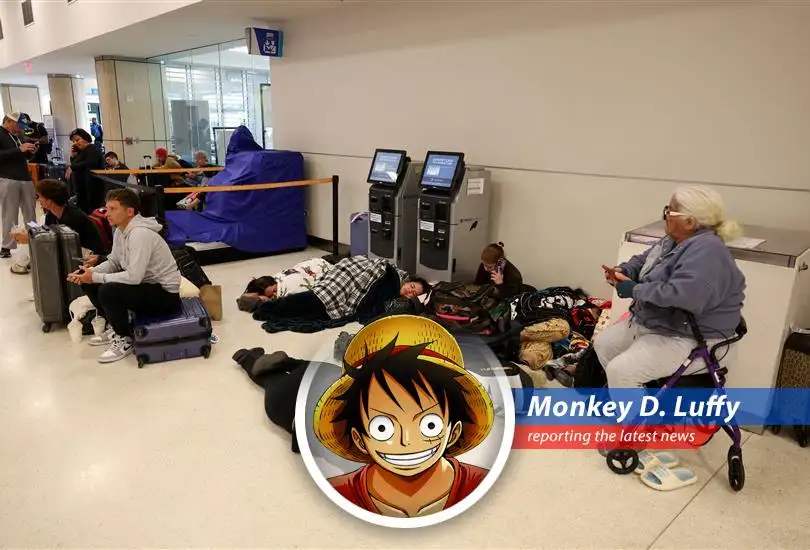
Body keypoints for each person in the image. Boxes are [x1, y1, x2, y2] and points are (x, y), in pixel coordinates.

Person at [314, 315, 493, 517]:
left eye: (429, 425)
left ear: (453, 431)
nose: (406, 442)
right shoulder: (336, 494)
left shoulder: (484, 488)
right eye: (382, 428)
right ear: (359, 439)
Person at [594, 186, 746, 388]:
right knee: (604, 344)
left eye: (669, 211)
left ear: (690, 222)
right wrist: (623, 270)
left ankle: (637, 418)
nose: (665, 215)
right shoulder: (675, 241)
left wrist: (633, 289)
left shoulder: (709, 251)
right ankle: (639, 399)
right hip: (661, 323)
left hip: (689, 336)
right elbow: (645, 260)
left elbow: (684, 296)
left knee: (621, 372)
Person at [67, 188, 181, 364]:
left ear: (130, 211)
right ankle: (115, 326)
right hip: (146, 286)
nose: (107, 214)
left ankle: (124, 337)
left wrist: (96, 277)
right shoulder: (121, 231)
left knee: (108, 290)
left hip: (165, 295)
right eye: (107, 209)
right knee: (90, 282)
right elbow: (113, 262)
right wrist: (88, 274)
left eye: (113, 209)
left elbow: (134, 277)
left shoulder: (140, 234)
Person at [252, 255, 430, 329]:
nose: (410, 292)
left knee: (315, 312)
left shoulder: (393, 298)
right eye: (412, 287)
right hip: (339, 283)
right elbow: (362, 265)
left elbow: (373, 307)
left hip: (346, 299)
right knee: (312, 301)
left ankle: (266, 308)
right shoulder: (389, 271)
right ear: (409, 280)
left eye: (413, 294)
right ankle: (265, 307)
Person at [10, 179, 108, 274]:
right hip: (72, 249)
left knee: (32, 243)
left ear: (49, 201)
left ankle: (21, 265)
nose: (38, 200)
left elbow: (58, 242)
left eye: (39, 197)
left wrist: (29, 238)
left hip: (88, 255)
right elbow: (48, 234)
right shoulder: (53, 213)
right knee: (32, 238)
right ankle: (23, 264)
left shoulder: (73, 217)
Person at [0, 112, 37, 259]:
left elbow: (21, 155)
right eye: (18, 125)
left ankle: (35, 239)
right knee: (10, 213)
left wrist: (30, 151)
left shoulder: (17, 135)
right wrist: (19, 150)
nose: (21, 129)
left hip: (25, 178)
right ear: (9, 121)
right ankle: (7, 245)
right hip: (8, 178)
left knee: (31, 211)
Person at [67, 128, 105, 214]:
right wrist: (73, 156)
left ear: (85, 138)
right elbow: (76, 165)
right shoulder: (81, 152)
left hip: (92, 187)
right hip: (82, 189)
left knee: (91, 211)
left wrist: (72, 167)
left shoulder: (92, 148)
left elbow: (91, 163)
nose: (76, 143)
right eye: (73, 142)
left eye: (77, 140)